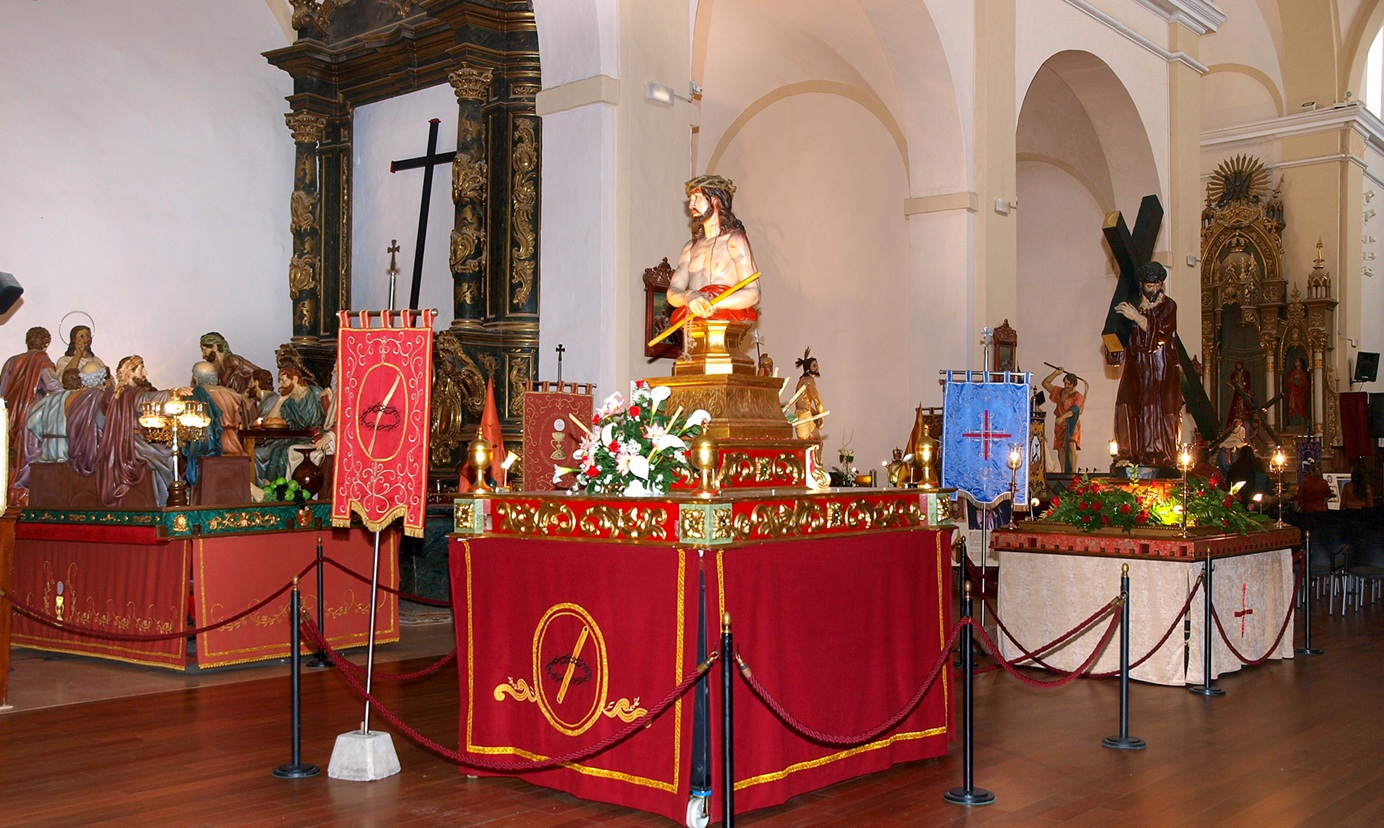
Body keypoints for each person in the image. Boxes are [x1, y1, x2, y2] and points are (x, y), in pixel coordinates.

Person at [666, 174, 760, 330]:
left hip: (725, 322)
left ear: (715, 200)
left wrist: (712, 304)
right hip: (694, 324)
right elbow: (672, 291)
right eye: (691, 199)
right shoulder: (690, 248)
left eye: (697, 197)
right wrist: (689, 297)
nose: (691, 205)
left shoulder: (734, 241)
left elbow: (753, 293)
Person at [1112, 261, 1181, 468]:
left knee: (1158, 409)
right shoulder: (1130, 305)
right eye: (1150, 285)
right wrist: (1113, 342)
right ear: (1141, 284)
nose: (1154, 289)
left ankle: (1159, 456)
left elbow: (1161, 332)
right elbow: (1118, 336)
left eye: (1158, 284)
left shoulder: (1168, 306)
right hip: (1136, 367)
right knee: (1126, 403)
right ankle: (1128, 454)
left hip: (1161, 368)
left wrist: (1137, 317)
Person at [0, 326, 61, 491]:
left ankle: (9, 487)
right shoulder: (42, 361)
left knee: (11, 451)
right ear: (46, 343)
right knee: (30, 451)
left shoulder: (11, 361)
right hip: (31, 412)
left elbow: (2, 391)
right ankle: (22, 487)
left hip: (10, 413)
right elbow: (54, 386)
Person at [255, 365, 326, 483]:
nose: (280, 385)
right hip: (299, 437)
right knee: (275, 451)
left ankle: (283, 486)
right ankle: (270, 486)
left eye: (283, 380)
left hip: (316, 436)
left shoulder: (315, 392)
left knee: (284, 452)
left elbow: (329, 415)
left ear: (295, 379)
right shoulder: (289, 402)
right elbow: (270, 421)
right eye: (279, 381)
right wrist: (280, 400)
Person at [199, 332, 274, 403]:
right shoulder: (213, 369)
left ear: (215, 347)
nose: (203, 355)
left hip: (241, 406)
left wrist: (246, 393)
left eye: (204, 350)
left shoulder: (232, 361)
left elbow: (259, 373)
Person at [1041, 367, 1087, 473]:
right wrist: (1056, 373)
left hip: (1072, 423)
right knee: (1060, 448)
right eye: (1065, 383)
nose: (1066, 386)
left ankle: (1073, 472)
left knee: (1071, 445)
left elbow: (1074, 410)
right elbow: (1045, 383)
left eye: (1069, 384)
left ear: (1074, 384)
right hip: (1060, 424)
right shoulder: (1059, 392)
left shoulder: (1078, 396)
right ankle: (1063, 472)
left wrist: (1062, 417)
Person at [54, 325, 108, 391]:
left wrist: (107, 383)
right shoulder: (64, 360)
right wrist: (78, 354)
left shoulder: (97, 361)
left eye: (88, 336)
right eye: (81, 336)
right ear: (74, 340)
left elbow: (108, 379)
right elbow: (64, 379)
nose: (86, 339)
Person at [792, 350, 824, 442]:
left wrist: (814, 413)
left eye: (817, 365)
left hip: (806, 415)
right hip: (803, 417)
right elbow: (817, 401)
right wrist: (821, 417)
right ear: (808, 368)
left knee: (817, 442)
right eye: (814, 365)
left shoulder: (803, 380)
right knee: (805, 445)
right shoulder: (809, 380)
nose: (817, 367)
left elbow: (805, 402)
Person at [1283, 357, 1311, 429]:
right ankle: (1293, 423)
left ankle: (1301, 423)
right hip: (1292, 394)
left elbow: (1306, 384)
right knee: (1292, 409)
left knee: (1300, 408)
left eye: (1297, 361)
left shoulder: (1303, 373)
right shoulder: (1293, 373)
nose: (1296, 362)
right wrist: (1292, 380)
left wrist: (1299, 382)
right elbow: (1287, 382)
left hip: (1300, 395)